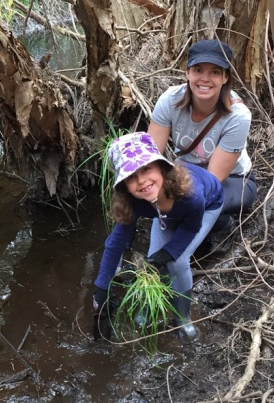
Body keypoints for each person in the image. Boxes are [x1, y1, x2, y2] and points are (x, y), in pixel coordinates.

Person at [92, 132, 223, 341]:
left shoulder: (192, 196)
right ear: (124, 185)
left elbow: (190, 227)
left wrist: (169, 252)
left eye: (146, 169)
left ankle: (183, 317)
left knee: (177, 261)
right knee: (152, 260)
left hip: (206, 208)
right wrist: (101, 291)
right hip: (165, 212)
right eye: (131, 177)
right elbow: (116, 243)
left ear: (162, 168)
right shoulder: (135, 201)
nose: (141, 181)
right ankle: (149, 307)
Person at [147, 39, 257, 250]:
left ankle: (224, 226)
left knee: (191, 204)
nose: (205, 79)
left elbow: (213, 180)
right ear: (187, 73)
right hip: (185, 171)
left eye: (215, 72)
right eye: (198, 70)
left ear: (225, 77)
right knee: (165, 202)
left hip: (234, 181)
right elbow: (150, 156)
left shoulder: (238, 115)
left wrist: (172, 197)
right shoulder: (170, 100)